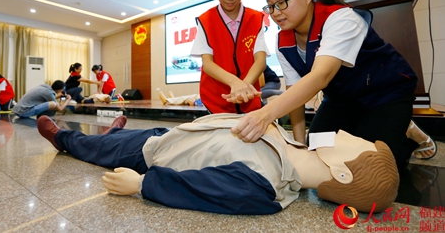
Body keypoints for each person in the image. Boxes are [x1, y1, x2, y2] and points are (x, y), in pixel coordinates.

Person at [231, 0, 425, 173]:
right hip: (342, 99)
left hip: (384, 94)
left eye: (282, 2)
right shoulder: (283, 41)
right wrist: (300, 147)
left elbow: (320, 76)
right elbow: (295, 95)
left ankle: (406, 134)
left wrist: (264, 115)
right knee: (317, 152)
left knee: (371, 167)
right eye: (270, 6)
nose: (276, 13)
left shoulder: (340, 18)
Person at [37, 113, 399, 215]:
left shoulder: (264, 186)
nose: (350, 134)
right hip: (182, 134)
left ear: (341, 172)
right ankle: (114, 131)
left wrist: (142, 185)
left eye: (357, 144)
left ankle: (64, 139)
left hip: (153, 154)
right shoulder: (295, 145)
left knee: (96, 148)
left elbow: (200, 190)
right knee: (113, 140)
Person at [190, 0, 269, 114]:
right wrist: (234, 82)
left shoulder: (256, 18)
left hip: (249, 100)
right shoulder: (206, 21)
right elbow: (208, 64)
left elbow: (260, 61)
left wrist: (244, 86)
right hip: (217, 102)